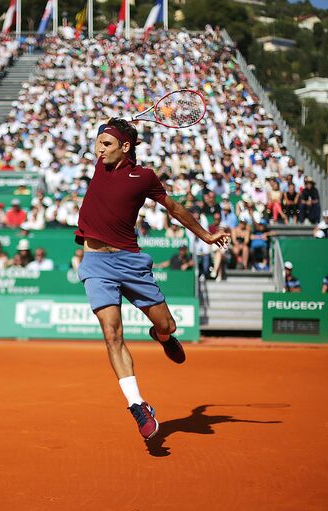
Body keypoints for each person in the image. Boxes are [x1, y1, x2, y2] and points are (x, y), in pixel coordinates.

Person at [74, 119, 229, 441]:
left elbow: (172, 208)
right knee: (112, 334)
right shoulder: (100, 167)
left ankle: (161, 336)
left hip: (130, 261)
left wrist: (206, 236)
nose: (98, 150)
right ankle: (137, 405)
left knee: (167, 325)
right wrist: (113, 126)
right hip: (95, 263)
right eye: (98, 143)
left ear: (125, 147)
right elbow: (109, 133)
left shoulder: (143, 177)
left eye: (106, 144)